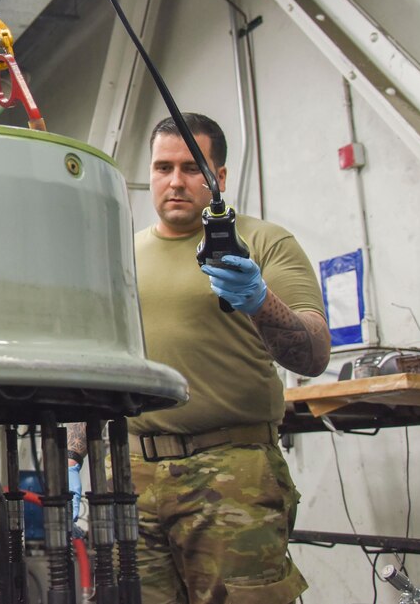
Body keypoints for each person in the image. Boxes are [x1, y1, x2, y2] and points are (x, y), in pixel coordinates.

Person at [124, 112, 331, 604]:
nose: (175, 181)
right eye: (162, 167)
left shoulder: (262, 242)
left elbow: (315, 353)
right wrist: (73, 456)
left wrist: (260, 299)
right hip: (130, 476)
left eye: (192, 168)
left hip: (230, 471)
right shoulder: (122, 254)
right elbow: (107, 360)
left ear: (218, 177)